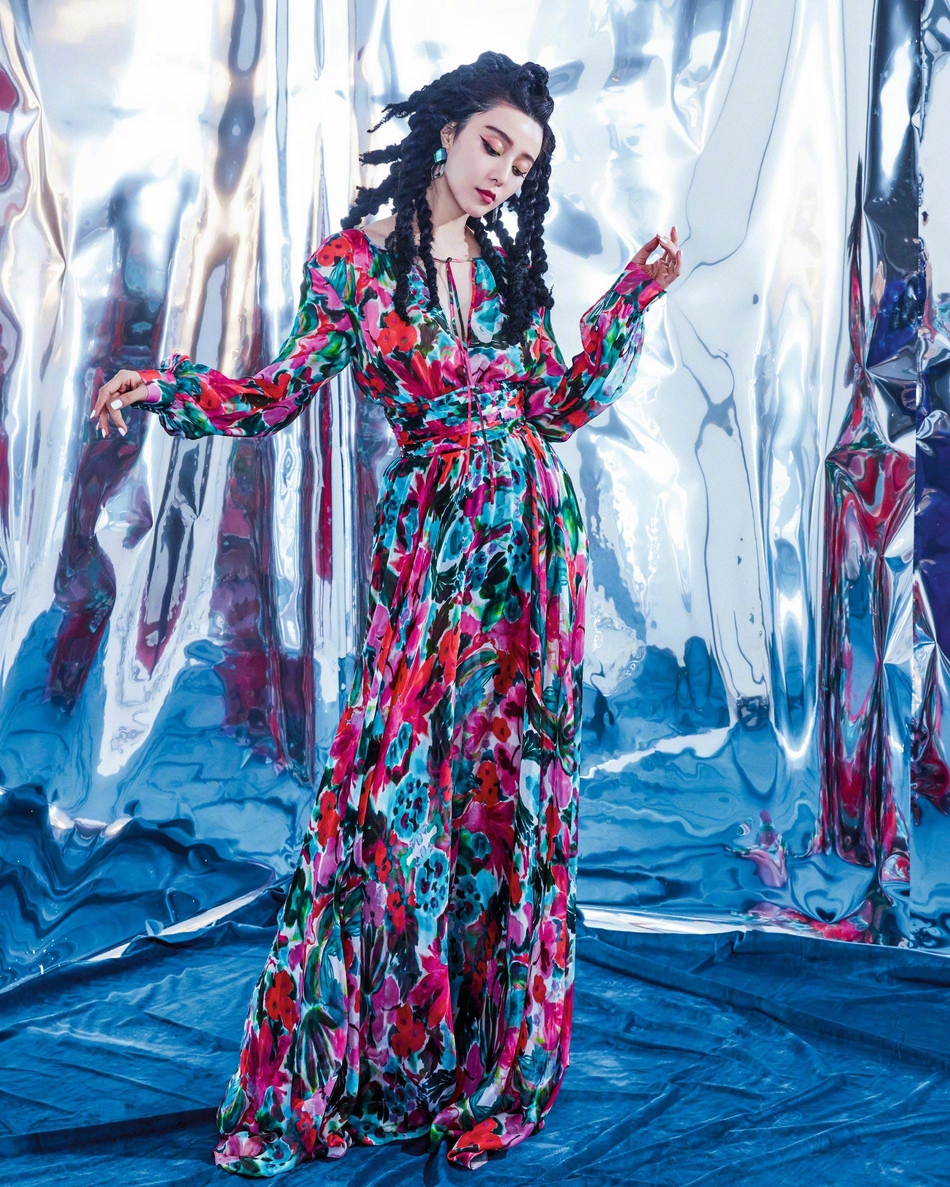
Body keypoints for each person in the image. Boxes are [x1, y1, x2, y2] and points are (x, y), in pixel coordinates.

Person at [90, 50, 681, 1177]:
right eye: (494, 144)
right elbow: (275, 395)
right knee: (393, 790)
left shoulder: (505, 273)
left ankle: (491, 1061)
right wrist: (164, 386)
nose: (504, 173)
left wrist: (631, 298)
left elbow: (556, 409)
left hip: (532, 550)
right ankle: (378, 1059)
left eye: (524, 164)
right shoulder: (352, 269)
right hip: (431, 553)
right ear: (446, 132)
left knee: (502, 790)